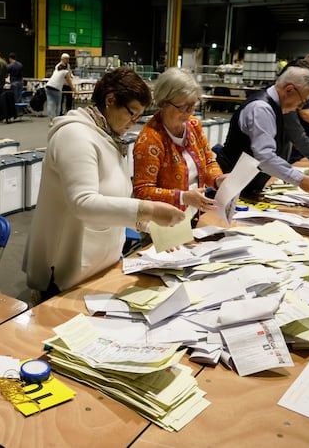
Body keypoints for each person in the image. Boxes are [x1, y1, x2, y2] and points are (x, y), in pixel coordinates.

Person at [23, 67, 186, 303]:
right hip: (65, 272)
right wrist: (148, 210)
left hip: (100, 264)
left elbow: (116, 197)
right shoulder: (75, 135)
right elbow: (84, 203)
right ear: (110, 100)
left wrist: (151, 226)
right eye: (132, 113)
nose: (134, 122)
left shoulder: (108, 134)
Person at [216, 65, 309, 197]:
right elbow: (265, 157)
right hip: (234, 187)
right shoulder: (261, 108)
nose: (300, 106)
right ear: (289, 89)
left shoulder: (277, 107)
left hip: (250, 185)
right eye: (302, 101)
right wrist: (300, 179)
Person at [133, 67, 226, 216]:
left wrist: (218, 179)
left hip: (195, 215)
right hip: (164, 222)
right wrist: (183, 197)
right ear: (163, 102)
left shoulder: (193, 125)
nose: (189, 112)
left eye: (193, 105)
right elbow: (142, 191)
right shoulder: (150, 139)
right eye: (183, 106)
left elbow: (208, 161)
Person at [45, 61, 74, 126]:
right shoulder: (65, 72)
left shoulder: (56, 71)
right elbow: (69, 82)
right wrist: (73, 89)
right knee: (58, 104)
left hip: (48, 86)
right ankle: (57, 119)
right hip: (56, 88)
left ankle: (51, 120)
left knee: (50, 104)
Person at [3, 52, 23, 123]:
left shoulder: (10, 66)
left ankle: (15, 114)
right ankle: (20, 112)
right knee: (19, 98)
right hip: (20, 82)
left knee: (14, 99)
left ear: (10, 58)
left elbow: (6, 74)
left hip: (14, 83)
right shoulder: (20, 64)